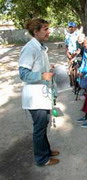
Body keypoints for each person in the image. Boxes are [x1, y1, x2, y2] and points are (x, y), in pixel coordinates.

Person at [18, 18, 59, 166]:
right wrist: (41, 75)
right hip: (35, 98)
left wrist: (48, 68)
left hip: (42, 95)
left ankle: (46, 151)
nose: (48, 32)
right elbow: (23, 74)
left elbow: (38, 66)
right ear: (36, 32)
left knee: (43, 125)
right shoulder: (30, 48)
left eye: (48, 28)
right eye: (45, 29)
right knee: (39, 128)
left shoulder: (39, 47)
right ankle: (42, 159)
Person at [65, 22, 79, 87]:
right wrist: (68, 54)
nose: (71, 28)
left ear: (75, 28)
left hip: (76, 54)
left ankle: (76, 82)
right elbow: (66, 46)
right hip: (69, 54)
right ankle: (72, 82)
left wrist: (74, 54)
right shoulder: (67, 36)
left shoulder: (77, 35)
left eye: (72, 27)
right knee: (70, 69)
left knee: (76, 68)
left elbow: (79, 46)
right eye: (69, 27)